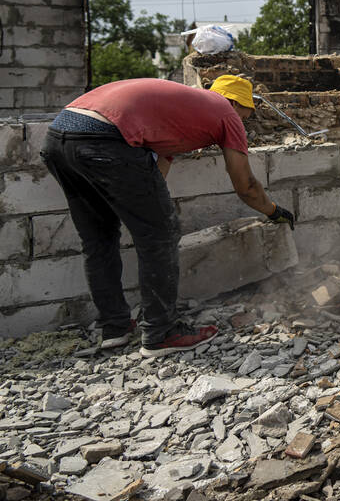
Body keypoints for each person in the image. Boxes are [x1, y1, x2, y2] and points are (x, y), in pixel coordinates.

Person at [40, 75, 295, 357]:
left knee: (99, 237)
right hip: (104, 139)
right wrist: (274, 211)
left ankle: (115, 328)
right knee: (161, 235)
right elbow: (245, 185)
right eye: (244, 116)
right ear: (234, 102)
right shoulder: (224, 111)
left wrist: (145, 211)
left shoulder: (180, 109)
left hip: (59, 138)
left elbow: (153, 177)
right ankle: (161, 332)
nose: (242, 124)